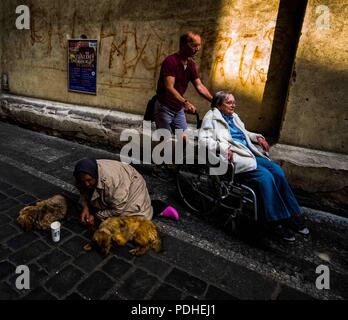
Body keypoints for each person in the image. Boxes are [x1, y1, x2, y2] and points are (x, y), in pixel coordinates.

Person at [198, 91, 310, 242]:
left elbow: (244, 133)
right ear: (219, 104)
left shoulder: (234, 117)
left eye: (234, 102)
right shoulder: (211, 117)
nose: (233, 105)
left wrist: (257, 137)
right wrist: (223, 148)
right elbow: (204, 140)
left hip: (248, 153)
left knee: (277, 171)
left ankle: (290, 215)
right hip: (235, 158)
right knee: (265, 177)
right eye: (229, 102)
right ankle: (274, 221)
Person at [73, 158, 179, 229]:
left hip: (132, 184)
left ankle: (158, 207)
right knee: (92, 206)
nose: (86, 184)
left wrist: (95, 216)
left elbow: (118, 209)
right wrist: (85, 207)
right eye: (83, 181)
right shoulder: (85, 174)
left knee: (136, 221)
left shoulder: (111, 182)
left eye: (89, 180)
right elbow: (83, 191)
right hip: (118, 190)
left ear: (95, 175)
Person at [154, 31, 213, 133]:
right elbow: (169, 88)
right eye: (194, 45)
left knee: (184, 140)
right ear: (183, 45)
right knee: (165, 141)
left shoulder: (191, 65)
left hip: (178, 108)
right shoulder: (171, 61)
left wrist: (215, 101)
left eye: (199, 45)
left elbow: (199, 86)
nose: (198, 49)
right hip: (164, 108)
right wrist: (185, 103)